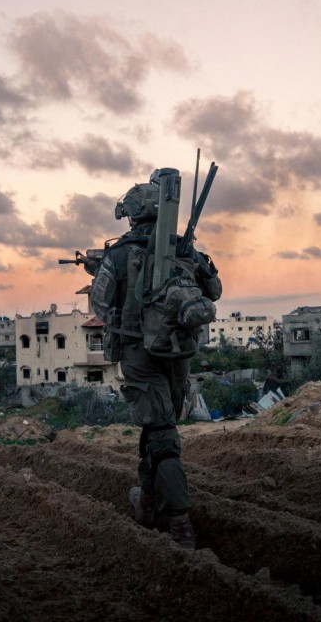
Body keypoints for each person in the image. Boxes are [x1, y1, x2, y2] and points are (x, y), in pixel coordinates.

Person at [89, 172, 222, 550]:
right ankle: (147, 500)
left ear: (132, 215)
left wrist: (111, 276)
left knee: (162, 434)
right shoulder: (185, 249)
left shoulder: (119, 253)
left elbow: (100, 306)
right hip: (178, 351)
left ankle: (179, 521)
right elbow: (214, 290)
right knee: (158, 426)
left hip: (140, 354)